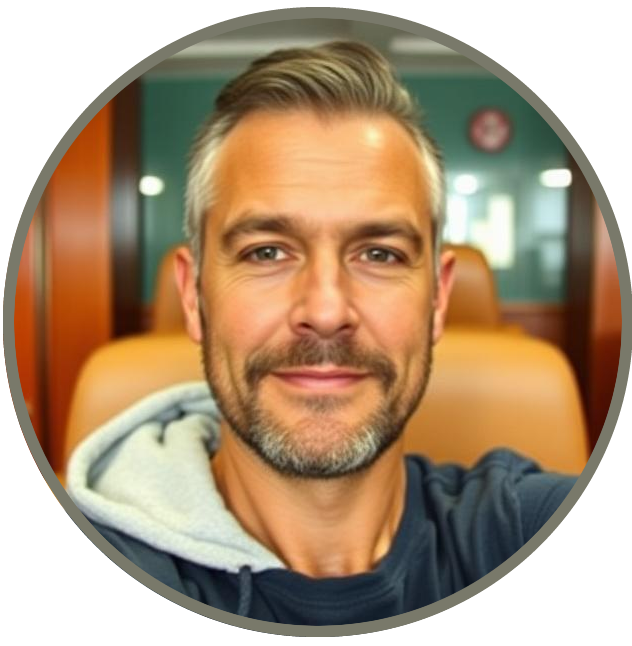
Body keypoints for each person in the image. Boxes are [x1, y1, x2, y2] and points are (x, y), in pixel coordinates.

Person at [67, 41, 577, 625]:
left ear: (438, 298)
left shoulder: (536, 532)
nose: (328, 310)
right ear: (193, 295)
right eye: (266, 251)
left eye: (380, 254)